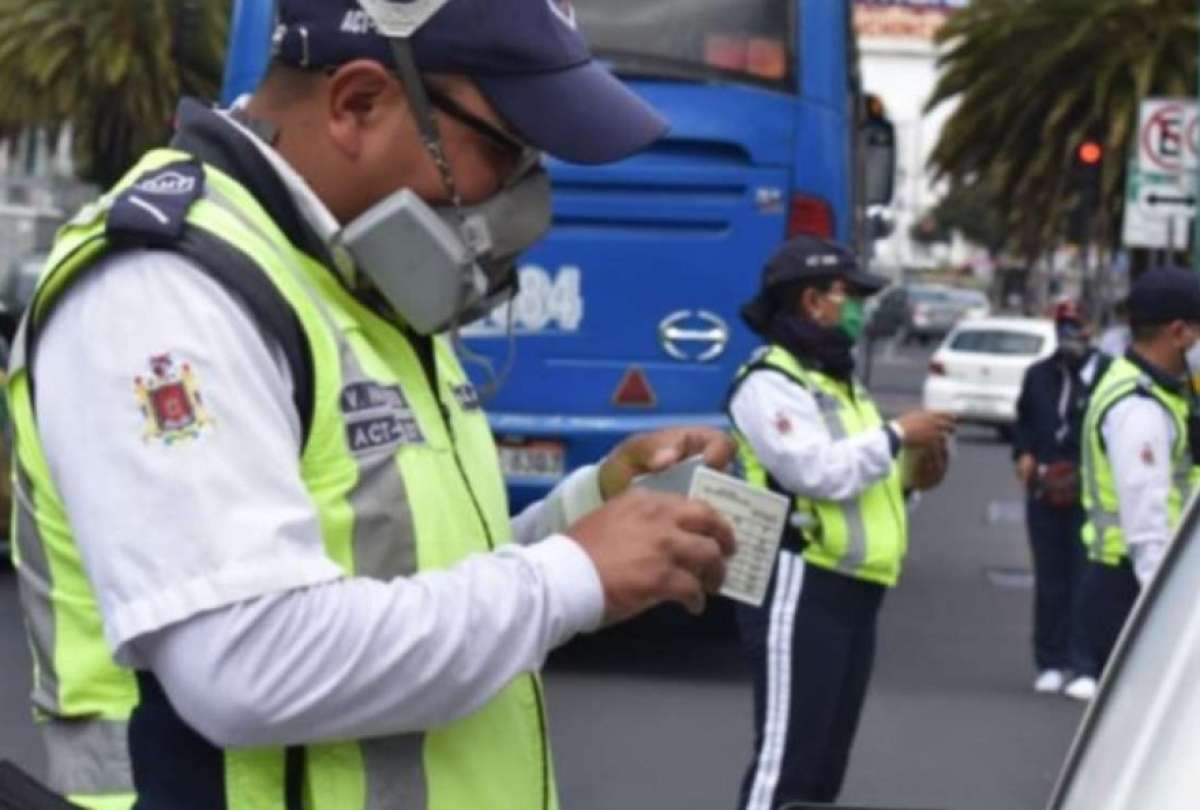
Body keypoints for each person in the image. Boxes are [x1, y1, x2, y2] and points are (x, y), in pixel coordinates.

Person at [6, 2, 738, 808]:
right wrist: (572, 575)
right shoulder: (167, 289)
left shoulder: (350, 274)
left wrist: (588, 513)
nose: (522, 192)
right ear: (357, 103)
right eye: (504, 145)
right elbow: (245, 663)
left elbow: (412, 574)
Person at [727, 235, 955, 809]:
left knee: (822, 771)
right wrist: (899, 433)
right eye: (847, 294)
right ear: (811, 301)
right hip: (798, 585)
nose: (856, 306)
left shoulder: (838, 382)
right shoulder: (769, 382)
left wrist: (912, 476)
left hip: (854, 591)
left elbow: (864, 483)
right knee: (787, 765)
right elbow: (815, 472)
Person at [1079, 268, 1200, 678]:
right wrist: (1163, 614)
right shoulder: (1138, 408)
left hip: (1137, 582)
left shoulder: (1160, 392)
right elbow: (1146, 522)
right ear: (1179, 332)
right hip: (1134, 587)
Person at [1012, 301, 1106, 701]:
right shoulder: (1038, 376)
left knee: (1087, 579)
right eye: (1064, 326)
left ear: (1093, 329)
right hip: (1045, 490)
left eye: (1078, 326)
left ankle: (1085, 663)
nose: (1070, 334)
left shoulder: (1109, 376)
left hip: (1091, 493)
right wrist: (1024, 455)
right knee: (1050, 579)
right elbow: (1024, 423)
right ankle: (1050, 661)